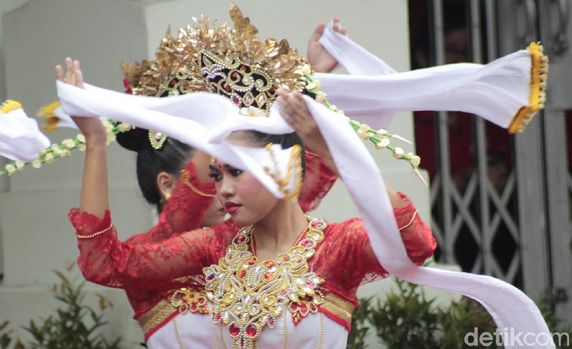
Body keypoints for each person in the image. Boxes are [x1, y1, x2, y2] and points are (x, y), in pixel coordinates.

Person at [64, 6, 436, 348]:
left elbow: (415, 244)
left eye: (235, 171)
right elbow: (106, 263)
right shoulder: (214, 247)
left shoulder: (337, 247)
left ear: (283, 166)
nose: (222, 189)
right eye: (215, 174)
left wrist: (330, 147)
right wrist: (95, 143)